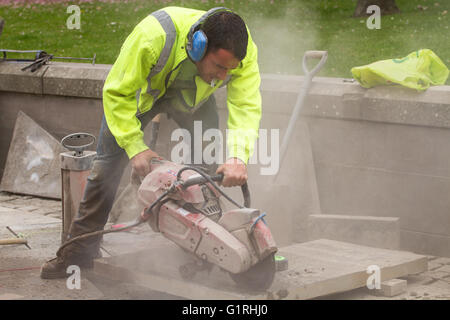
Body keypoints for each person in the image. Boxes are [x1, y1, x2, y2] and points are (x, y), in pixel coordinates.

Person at [40, 6, 262, 279]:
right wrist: (136, 148)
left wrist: (238, 156)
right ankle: (77, 255)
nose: (224, 77)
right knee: (106, 168)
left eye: (231, 70)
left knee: (205, 170)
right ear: (197, 47)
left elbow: (246, 104)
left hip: (194, 100)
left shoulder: (244, 49)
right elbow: (117, 93)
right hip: (139, 101)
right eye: (218, 67)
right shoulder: (152, 36)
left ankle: (202, 250)